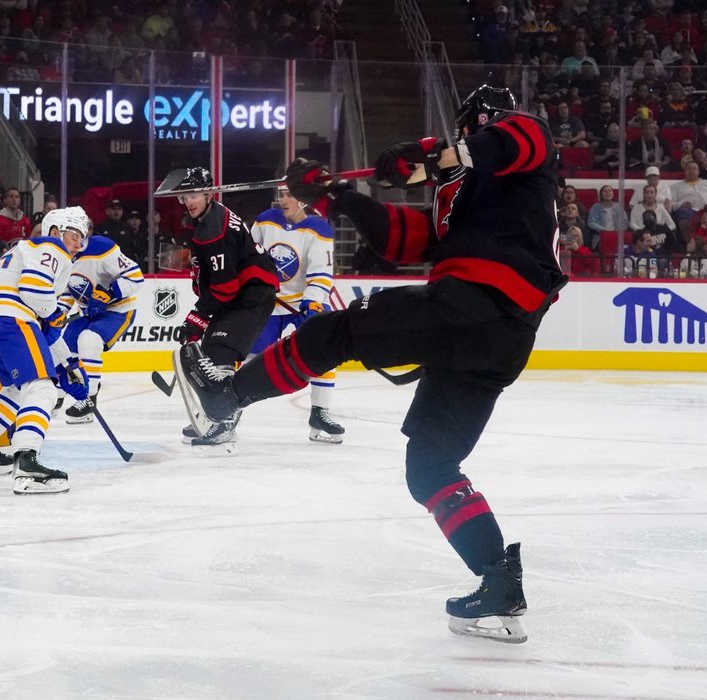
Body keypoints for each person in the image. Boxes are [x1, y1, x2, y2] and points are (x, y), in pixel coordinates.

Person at [176, 85, 565, 644]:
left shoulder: (525, 143)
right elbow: (403, 240)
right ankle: (499, 583)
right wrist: (331, 195)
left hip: (479, 304)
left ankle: (228, 397)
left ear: (478, 120)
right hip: (494, 338)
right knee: (430, 466)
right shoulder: (465, 192)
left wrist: (427, 151)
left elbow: (506, 142)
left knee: (339, 330)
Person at [0, 208, 90, 493]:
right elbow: (35, 294)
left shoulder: (24, 253)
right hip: (9, 318)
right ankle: (27, 461)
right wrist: (56, 312)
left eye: (81, 240)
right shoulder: (50, 246)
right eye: (74, 237)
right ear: (55, 231)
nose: (76, 245)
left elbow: (45, 328)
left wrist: (68, 363)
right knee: (43, 389)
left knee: (17, 389)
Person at [162, 166, 279, 449]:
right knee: (210, 350)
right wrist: (200, 316)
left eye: (193, 195)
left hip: (250, 295)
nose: (188, 202)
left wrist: (197, 317)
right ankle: (217, 415)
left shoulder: (213, 228)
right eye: (182, 197)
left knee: (219, 355)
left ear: (208, 193)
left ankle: (224, 422)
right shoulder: (209, 220)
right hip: (242, 293)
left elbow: (225, 287)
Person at [249, 184, 343, 443]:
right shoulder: (265, 221)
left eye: (290, 194)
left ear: (304, 198)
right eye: (281, 194)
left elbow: (320, 272)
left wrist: (313, 301)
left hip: (302, 301)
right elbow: (247, 256)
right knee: (248, 356)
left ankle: (320, 413)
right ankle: (224, 415)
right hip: (268, 300)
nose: (284, 199)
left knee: (324, 347)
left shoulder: (318, 229)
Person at [55, 207, 145, 423]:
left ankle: (89, 399)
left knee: (89, 339)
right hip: (88, 312)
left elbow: (135, 277)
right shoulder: (59, 254)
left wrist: (108, 293)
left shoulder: (102, 248)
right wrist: (57, 314)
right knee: (62, 347)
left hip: (118, 311)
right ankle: (57, 394)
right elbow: (67, 291)